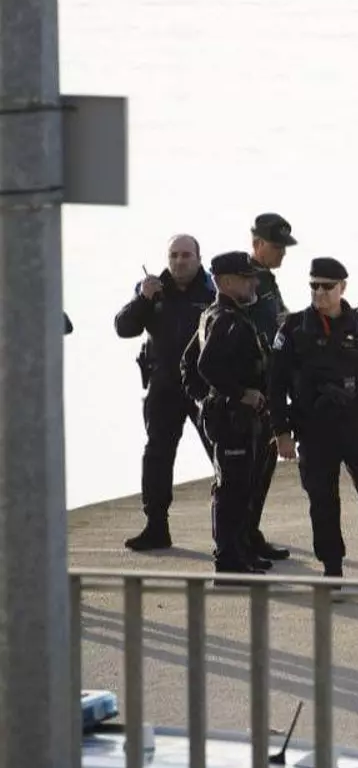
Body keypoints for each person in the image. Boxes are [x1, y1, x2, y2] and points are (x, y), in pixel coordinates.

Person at [270, 258, 358, 580]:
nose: (319, 292)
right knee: (323, 502)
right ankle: (332, 570)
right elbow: (275, 384)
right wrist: (281, 432)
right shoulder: (293, 329)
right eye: (314, 286)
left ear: (342, 287)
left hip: (357, 427)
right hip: (314, 430)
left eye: (327, 286)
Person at [116, 234, 217, 551]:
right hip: (164, 386)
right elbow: (124, 328)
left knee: (225, 456)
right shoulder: (152, 288)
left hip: (205, 385)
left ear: (198, 258)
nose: (179, 261)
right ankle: (156, 526)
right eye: (174, 255)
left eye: (186, 255)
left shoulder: (213, 290)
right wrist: (142, 299)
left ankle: (242, 529)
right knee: (157, 455)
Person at [192, 251, 273, 576]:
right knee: (232, 490)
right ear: (225, 282)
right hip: (232, 418)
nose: (253, 283)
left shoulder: (222, 315)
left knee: (243, 488)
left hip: (238, 416)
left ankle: (241, 552)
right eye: (246, 278)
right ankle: (228, 562)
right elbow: (204, 365)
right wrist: (239, 395)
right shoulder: (225, 318)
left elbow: (190, 362)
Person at [244, 212, 298, 563]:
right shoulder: (245, 279)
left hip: (267, 384)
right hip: (249, 387)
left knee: (263, 467)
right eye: (277, 246)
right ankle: (241, 539)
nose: (283, 253)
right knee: (247, 472)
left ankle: (250, 533)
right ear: (258, 244)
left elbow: (277, 319)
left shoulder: (266, 280)